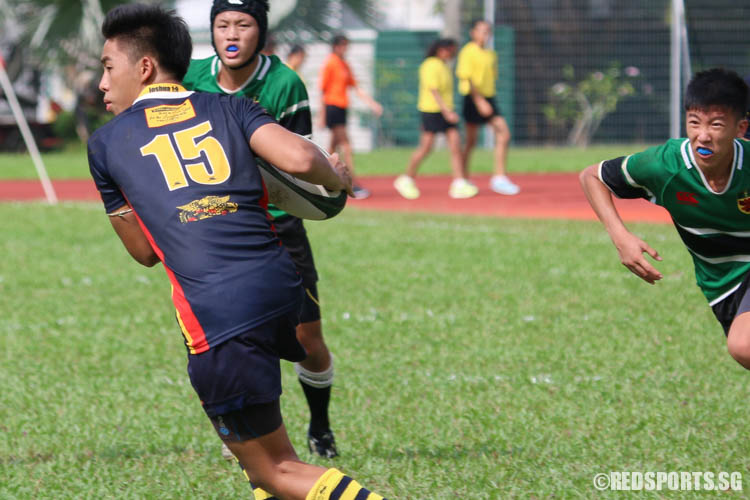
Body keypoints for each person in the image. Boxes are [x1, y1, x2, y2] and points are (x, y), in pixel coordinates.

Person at [88, 4, 388, 500]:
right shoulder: (230, 108)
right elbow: (299, 157)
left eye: (107, 67)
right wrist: (339, 179)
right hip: (278, 284)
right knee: (263, 470)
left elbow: (143, 252)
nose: (102, 83)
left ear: (143, 68)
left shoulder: (105, 145)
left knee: (277, 471)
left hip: (217, 313)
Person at [182, 0, 341, 462]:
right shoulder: (190, 78)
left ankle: (321, 424)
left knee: (308, 343)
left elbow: (298, 166)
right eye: (222, 24)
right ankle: (252, 439)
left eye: (243, 24)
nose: (232, 34)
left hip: (278, 231)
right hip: (214, 232)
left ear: (261, 31)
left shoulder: (283, 83)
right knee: (231, 343)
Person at [580, 68, 750, 372]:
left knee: (743, 344)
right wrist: (622, 238)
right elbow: (592, 176)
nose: (703, 135)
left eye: (716, 125)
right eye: (694, 123)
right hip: (722, 285)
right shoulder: (666, 166)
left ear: (740, 128)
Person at [394, 38, 477, 200]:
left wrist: (448, 111)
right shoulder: (430, 64)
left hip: (446, 111)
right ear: (440, 49)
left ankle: (459, 183)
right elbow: (434, 90)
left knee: (455, 145)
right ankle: (406, 179)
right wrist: (447, 112)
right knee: (426, 148)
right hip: (432, 111)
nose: (451, 53)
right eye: (449, 50)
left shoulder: (444, 66)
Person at [455, 19, 520, 196]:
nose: (485, 34)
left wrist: (486, 100)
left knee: (504, 134)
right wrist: (479, 101)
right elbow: (467, 78)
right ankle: (462, 178)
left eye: (488, 31)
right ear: (473, 32)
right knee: (470, 142)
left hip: (489, 98)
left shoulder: (491, 54)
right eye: (482, 30)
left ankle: (499, 177)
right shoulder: (468, 51)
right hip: (472, 98)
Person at [318, 34, 383, 199]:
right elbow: (323, 90)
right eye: (343, 45)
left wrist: (372, 104)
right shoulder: (330, 63)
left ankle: (320, 179)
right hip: (333, 107)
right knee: (346, 145)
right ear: (336, 46)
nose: (346, 49)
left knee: (332, 148)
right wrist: (322, 114)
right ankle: (352, 183)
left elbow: (356, 87)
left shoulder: (344, 65)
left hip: (342, 108)